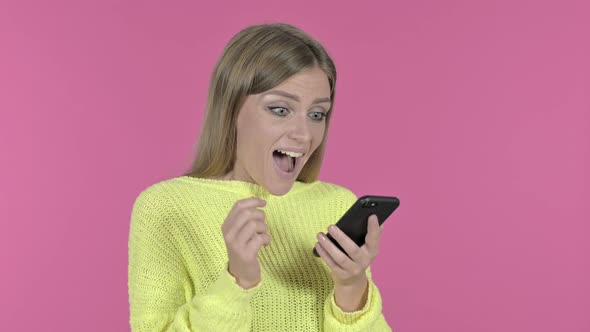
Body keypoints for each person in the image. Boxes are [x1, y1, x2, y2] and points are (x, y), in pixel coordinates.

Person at [128, 22, 392, 331]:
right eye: (280, 110)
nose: (303, 134)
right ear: (232, 108)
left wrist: (351, 288)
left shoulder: (336, 205)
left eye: (317, 114)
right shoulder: (166, 207)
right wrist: (236, 281)